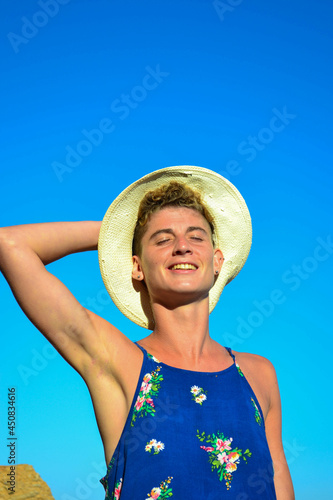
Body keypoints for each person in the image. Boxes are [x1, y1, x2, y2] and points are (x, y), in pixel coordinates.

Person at [0, 166, 294, 499]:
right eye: (163, 239)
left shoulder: (258, 374)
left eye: (196, 236)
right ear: (137, 267)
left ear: (216, 261)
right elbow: (10, 245)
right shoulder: (119, 361)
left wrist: (149, 236)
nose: (182, 246)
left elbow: (279, 484)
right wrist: (117, 233)